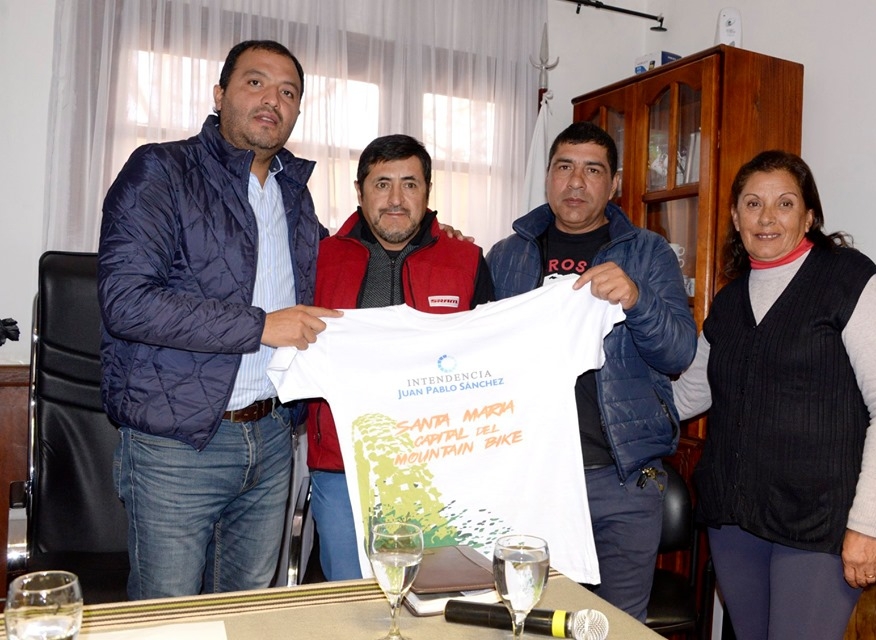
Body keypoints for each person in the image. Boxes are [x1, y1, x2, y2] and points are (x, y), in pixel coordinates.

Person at [98, 40, 341, 599]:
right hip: (176, 445)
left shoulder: (293, 193)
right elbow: (127, 300)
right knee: (169, 617)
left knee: (247, 613)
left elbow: (339, 263)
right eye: (256, 82)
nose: (272, 100)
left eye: (288, 92)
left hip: (273, 438)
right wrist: (261, 325)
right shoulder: (161, 169)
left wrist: (432, 233)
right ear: (219, 94)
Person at [672, 150, 876, 639]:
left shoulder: (849, 280)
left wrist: (868, 525)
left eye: (784, 203)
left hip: (818, 525)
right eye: (753, 204)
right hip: (734, 520)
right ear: (736, 218)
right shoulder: (728, 301)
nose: (767, 217)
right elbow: (689, 396)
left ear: (808, 217)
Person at [486, 121, 697, 620]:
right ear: (548, 176)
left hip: (621, 482)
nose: (576, 182)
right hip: (530, 478)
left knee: (615, 627)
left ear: (614, 183)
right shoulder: (507, 254)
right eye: (564, 167)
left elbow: (679, 353)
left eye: (593, 170)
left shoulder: (648, 253)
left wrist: (637, 300)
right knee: (529, 621)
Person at [306, 133, 494, 580]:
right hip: (340, 468)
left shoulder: (467, 260)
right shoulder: (317, 258)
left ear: (427, 191)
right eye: (382, 183)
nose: (395, 199)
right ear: (359, 191)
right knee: (351, 601)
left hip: (441, 472)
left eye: (409, 184)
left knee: (436, 599)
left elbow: (490, 364)